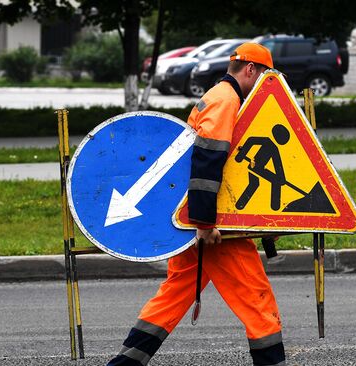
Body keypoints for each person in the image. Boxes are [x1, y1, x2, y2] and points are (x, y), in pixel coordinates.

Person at [107, 43, 286, 366]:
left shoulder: (219, 96)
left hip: (194, 217)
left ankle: (125, 364)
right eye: (265, 76)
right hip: (211, 224)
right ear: (251, 70)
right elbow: (207, 161)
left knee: (174, 295)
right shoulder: (226, 100)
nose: (264, 84)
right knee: (258, 302)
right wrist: (204, 224)